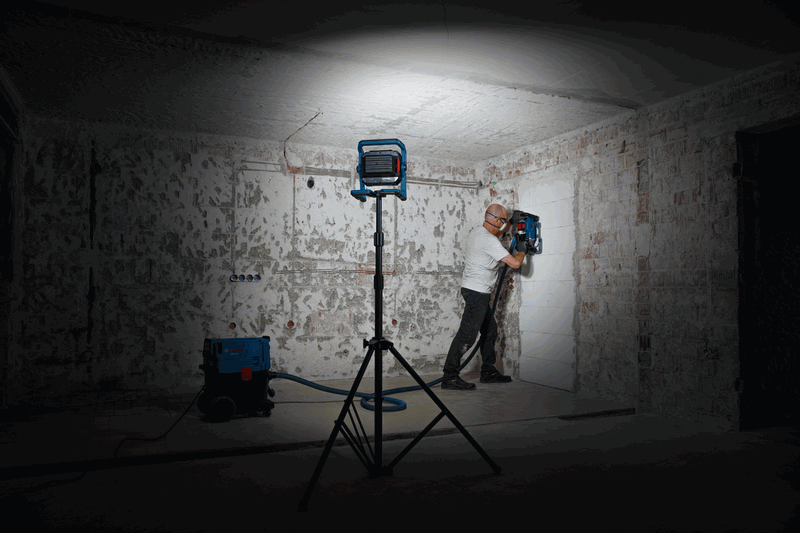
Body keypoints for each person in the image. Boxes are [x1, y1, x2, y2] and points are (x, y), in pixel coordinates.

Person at [441, 204, 527, 390]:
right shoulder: (489, 241)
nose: (502, 225)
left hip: (473, 290)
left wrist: (510, 222)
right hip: (477, 294)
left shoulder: (477, 233)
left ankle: (488, 372)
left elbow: (496, 234)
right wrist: (523, 250)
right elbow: (514, 263)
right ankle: (449, 377)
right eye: (502, 221)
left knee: (490, 331)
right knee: (466, 336)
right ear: (496, 220)